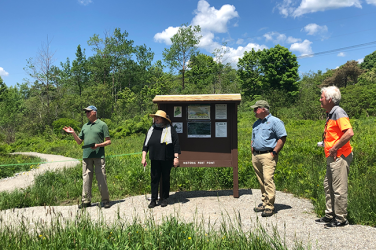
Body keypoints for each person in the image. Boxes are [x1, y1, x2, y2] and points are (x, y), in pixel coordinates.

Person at [316, 86, 354, 228]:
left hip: (340, 156)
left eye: (322, 97)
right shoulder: (330, 113)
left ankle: (341, 219)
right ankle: (330, 215)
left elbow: (349, 133)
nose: (320, 99)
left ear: (330, 99)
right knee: (328, 186)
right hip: (332, 156)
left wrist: (335, 147)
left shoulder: (338, 112)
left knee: (339, 188)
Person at [63, 105, 112, 209]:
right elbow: (79, 142)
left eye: (89, 112)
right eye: (86, 112)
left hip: (99, 155)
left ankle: (105, 200)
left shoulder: (102, 125)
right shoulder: (85, 126)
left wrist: (98, 145)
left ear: (94, 112)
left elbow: (109, 141)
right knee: (86, 178)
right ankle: (86, 201)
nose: (87, 113)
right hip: (86, 156)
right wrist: (73, 133)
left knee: (101, 177)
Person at [250, 100, 287, 217]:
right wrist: (252, 150)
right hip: (256, 155)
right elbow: (253, 138)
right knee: (261, 181)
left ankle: (270, 206)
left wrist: (274, 152)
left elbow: (282, 137)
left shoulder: (275, 121)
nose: (254, 111)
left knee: (267, 179)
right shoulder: (256, 123)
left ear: (264, 109)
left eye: (256, 109)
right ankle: (264, 202)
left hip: (268, 155)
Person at [141, 110, 181, 208]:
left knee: (165, 178)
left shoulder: (170, 129)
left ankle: (164, 198)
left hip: (166, 158)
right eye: (155, 117)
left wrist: (176, 157)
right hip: (154, 158)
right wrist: (143, 158)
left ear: (163, 119)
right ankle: (153, 200)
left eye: (157, 117)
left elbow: (176, 144)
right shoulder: (151, 129)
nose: (155, 119)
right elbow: (145, 145)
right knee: (154, 179)